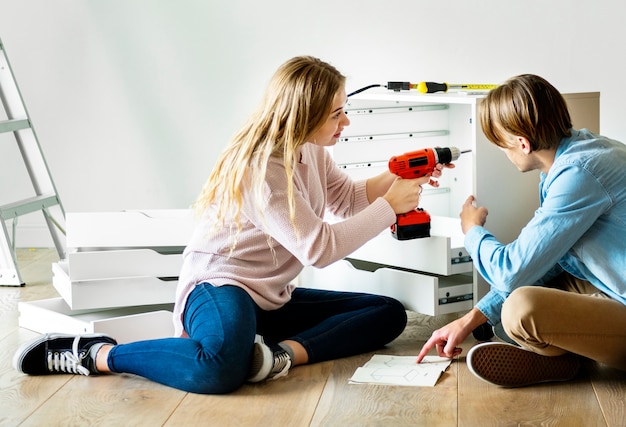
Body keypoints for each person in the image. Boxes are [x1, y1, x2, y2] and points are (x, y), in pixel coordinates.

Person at [14, 56, 448, 394]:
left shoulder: (310, 151)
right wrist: (391, 207)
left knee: (386, 314)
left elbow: (345, 199)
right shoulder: (262, 169)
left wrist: (400, 178)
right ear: (305, 113)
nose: (346, 121)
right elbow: (319, 249)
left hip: (270, 299)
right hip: (221, 288)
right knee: (220, 369)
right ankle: (96, 354)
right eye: (337, 113)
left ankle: (276, 358)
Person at [416, 74, 626, 387]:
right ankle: (562, 360)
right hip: (609, 284)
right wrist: (469, 318)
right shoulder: (581, 152)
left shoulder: (580, 174)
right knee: (539, 284)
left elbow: (510, 272)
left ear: (522, 143)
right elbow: (546, 262)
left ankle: (560, 358)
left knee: (519, 309)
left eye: (500, 144)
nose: (503, 153)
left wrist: (471, 231)